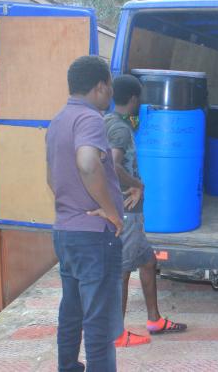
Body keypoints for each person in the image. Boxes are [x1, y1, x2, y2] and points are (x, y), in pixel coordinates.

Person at [46, 55, 124, 372]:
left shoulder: (58, 120)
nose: (110, 96)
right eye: (110, 88)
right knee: (99, 320)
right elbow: (89, 163)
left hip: (66, 232)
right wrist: (110, 212)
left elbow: (52, 179)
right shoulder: (90, 119)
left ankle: (68, 367)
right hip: (94, 237)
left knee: (72, 310)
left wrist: (74, 207)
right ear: (101, 86)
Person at [105, 75, 187, 348]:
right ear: (133, 100)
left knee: (148, 262)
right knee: (123, 272)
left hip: (131, 213)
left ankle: (154, 320)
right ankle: (116, 333)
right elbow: (113, 166)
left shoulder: (109, 122)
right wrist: (138, 184)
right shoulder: (119, 129)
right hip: (127, 211)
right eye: (139, 99)